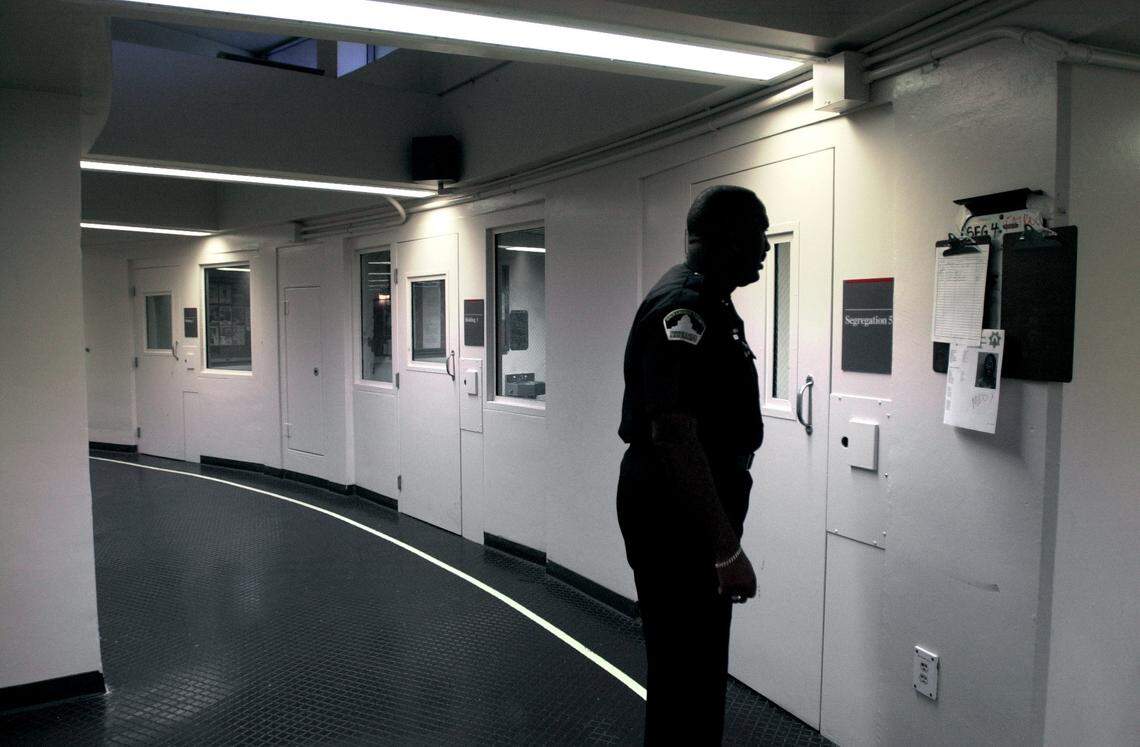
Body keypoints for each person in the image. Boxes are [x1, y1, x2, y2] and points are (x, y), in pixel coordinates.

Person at [616, 185, 769, 744]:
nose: (766, 248)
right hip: (675, 513)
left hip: (685, 506)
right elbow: (674, 436)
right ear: (728, 237)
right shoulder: (683, 308)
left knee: (696, 668)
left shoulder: (713, 301)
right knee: (687, 669)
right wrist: (725, 549)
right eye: (759, 234)